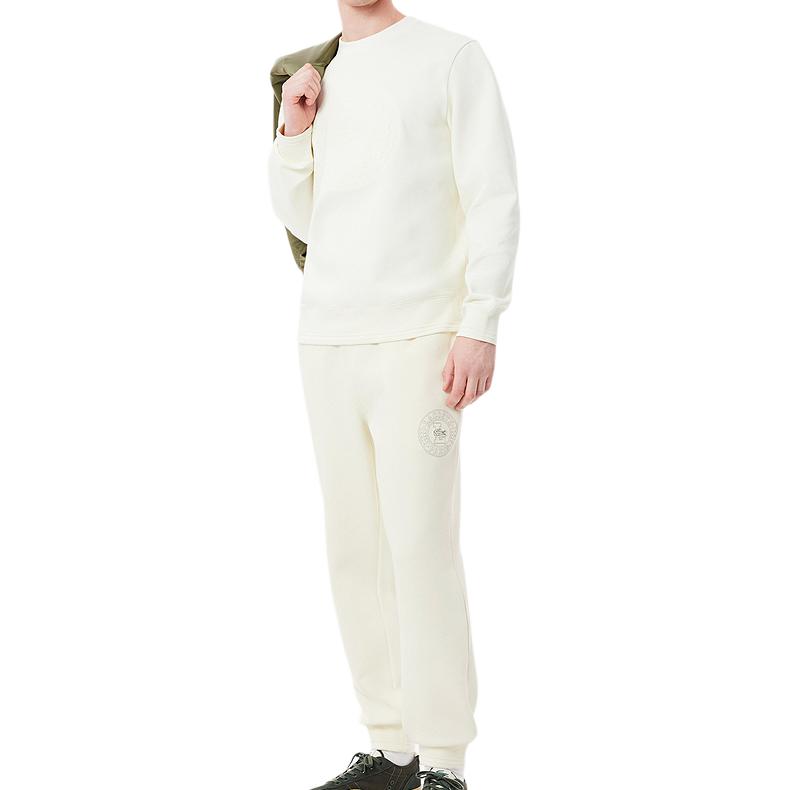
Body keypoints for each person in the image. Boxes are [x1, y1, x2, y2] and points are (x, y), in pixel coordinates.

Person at [268, 2, 519, 788]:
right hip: (329, 337)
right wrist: (294, 132)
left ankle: (443, 759)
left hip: (421, 338)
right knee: (356, 549)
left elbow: (492, 195)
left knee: (419, 545)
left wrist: (481, 321)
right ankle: (390, 746)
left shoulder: (451, 57)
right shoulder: (314, 72)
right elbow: (308, 218)